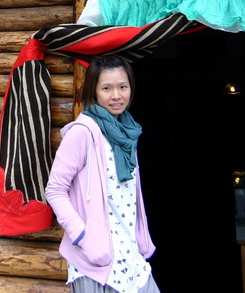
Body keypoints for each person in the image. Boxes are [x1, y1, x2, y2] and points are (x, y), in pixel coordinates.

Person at [45, 55, 160, 293]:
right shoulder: (83, 132)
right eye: (107, 88)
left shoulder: (128, 134)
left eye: (123, 87)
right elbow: (55, 190)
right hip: (96, 262)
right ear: (94, 91)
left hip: (132, 258)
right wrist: (82, 235)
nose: (116, 95)